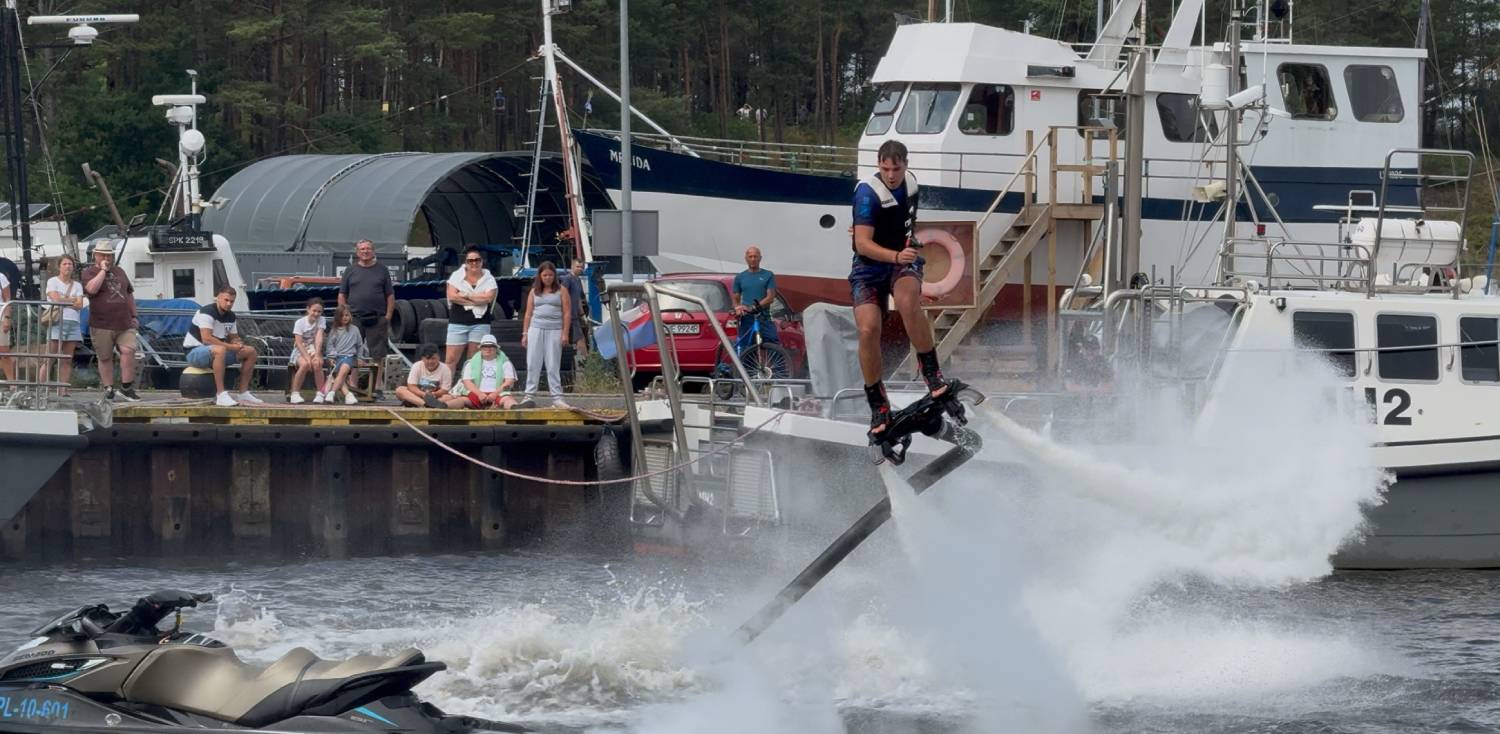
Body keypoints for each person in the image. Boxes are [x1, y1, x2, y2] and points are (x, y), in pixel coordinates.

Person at [850, 139, 952, 439]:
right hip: (868, 268)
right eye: (885, 168)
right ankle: (877, 402)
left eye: (896, 168)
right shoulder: (868, 194)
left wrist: (904, 251)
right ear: (878, 166)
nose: (891, 174)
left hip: (902, 261)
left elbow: (903, 222)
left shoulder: (911, 184)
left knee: (908, 302)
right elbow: (862, 243)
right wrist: (894, 254)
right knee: (868, 330)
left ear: (906, 165)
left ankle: (932, 372)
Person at [183, 286, 263, 407]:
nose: (229, 304)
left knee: (250, 351)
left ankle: (243, 392)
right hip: (194, 351)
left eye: (232, 301)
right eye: (226, 300)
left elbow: (234, 337)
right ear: (218, 298)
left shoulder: (231, 316)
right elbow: (207, 339)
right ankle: (221, 394)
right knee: (220, 350)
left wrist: (238, 343)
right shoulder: (207, 312)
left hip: (216, 351)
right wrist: (231, 347)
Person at [81, 240, 141, 401]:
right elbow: (91, 290)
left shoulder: (120, 271)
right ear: (95, 256)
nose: (106, 258)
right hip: (101, 322)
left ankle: (127, 387)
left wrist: (134, 316)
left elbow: (129, 294)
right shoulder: (89, 272)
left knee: (129, 351)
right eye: (103, 255)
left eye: (109, 255)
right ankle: (108, 387)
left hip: (124, 321)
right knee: (105, 357)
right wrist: (102, 271)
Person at [337, 239, 393, 397]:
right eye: (362, 249)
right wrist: (343, 313)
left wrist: (388, 316)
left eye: (368, 248)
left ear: (373, 251)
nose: (365, 251)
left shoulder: (382, 270)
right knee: (352, 351)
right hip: (354, 318)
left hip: (377, 318)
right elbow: (342, 294)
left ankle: (377, 387)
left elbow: (390, 295)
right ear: (357, 252)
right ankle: (353, 386)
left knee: (378, 354)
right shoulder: (350, 270)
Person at [521, 261, 571, 408]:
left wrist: (565, 333)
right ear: (540, 276)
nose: (548, 278)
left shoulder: (562, 290)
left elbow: (567, 313)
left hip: (555, 330)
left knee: (552, 364)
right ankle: (529, 395)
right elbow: (528, 314)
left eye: (550, 275)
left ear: (554, 276)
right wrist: (525, 333)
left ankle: (557, 398)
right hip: (535, 329)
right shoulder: (533, 291)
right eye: (545, 275)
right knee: (532, 363)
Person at [444, 245, 497, 375]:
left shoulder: (490, 279)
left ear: (482, 261)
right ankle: (446, 388)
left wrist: (466, 295)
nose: (474, 263)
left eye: (477, 260)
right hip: (458, 321)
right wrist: (477, 300)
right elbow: (452, 296)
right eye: (470, 260)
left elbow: (488, 298)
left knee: (474, 359)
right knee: (451, 358)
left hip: (480, 322)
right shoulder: (456, 276)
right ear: (466, 262)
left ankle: (470, 388)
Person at [45, 255, 86, 394]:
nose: (68, 266)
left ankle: (63, 390)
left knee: (67, 359)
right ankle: (42, 387)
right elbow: (55, 299)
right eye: (65, 264)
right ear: (59, 266)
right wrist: (72, 300)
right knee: (50, 357)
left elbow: (80, 305)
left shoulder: (78, 285)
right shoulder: (52, 281)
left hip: (73, 322)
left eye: (70, 264)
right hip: (57, 321)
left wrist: (66, 300)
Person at [450, 334, 517, 408]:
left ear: (496, 348)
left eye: (491, 346)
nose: (488, 348)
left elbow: (509, 382)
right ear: (480, 348)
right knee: (463, 400)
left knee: (507, 399)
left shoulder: (505, 363)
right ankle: (443, 406)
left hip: (498, 393)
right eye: (485, 346)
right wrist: (480, 394)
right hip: (477, 393)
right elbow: (467, 382)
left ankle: (516, 408)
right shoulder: (471, 363)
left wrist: (495, 394)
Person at [731, 245, 779, 349]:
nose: (753, 259)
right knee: (746, 349)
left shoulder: (768, 275)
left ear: (760, 258)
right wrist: (738, 307)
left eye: (755, 256)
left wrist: (754, 307)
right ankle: (743, 365)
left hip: (764, 317)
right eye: (750, 256)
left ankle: (778, 366)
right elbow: (735, 297)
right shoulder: (740, 277)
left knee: (774, 346)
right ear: (746, 258)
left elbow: (770, 297)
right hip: (747, 318)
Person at [322, 305, 366, 405]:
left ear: (350, 316)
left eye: (347, 315)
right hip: (336, 357)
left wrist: (360, 358)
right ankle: (348, 395)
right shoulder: (334, 330)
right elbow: (330, 345)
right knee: (339, 375)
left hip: (349, 356)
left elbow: (360, 345)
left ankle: (331, 393)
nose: (345, 317)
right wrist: (331, 357)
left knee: (343, 370)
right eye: (342, 316)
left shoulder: (355, 329)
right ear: (338, 317)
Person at [288, 297, 328, 404]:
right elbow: (299, 343)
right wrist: (307, 357)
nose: (316, 313)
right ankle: (295, 393)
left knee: (318, 363)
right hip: (300, 350)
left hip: (313, 348)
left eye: (319, 311)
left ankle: (320, 393)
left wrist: (317, 354)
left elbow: (319, 337)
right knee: (305, 364)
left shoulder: (322, 320)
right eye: (314, 310)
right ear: (308, 309)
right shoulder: (300, 322)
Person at [396, 343, 460, 408]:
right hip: (418, 395)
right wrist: (424, 395)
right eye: (427, 359)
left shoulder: (445, 369)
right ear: (422, 359)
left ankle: (422, 404)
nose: (430, 362)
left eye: (433, 358)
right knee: (400, 390)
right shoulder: (417, 366)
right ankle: (425, 404)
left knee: (449, 397)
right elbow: (411, 386)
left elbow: (445, 389)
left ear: (439, 357)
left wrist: (434, 394)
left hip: (436, 397)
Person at [558, 259, 591, 355]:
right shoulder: (567, 279)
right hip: (567, 316)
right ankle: (586, 364)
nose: (580, 269)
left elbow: (578, 300)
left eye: (581, 267)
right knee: (579, 340)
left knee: (579, 339)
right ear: (572, 266)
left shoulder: (578, 280)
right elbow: (561, 295)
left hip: (575, 317)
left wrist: (582, 315)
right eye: (577, 266)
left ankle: (584, 362)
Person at [0, 266, 11, 383]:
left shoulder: (1, 277)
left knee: (4, 352)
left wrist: (7, 318)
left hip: (1, 317)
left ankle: (12, 383)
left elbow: (8, 299)